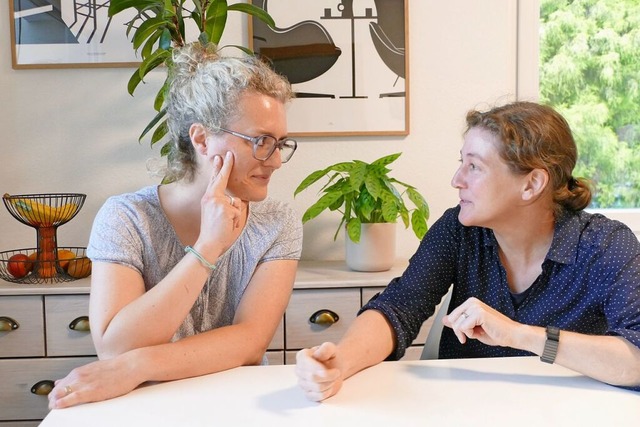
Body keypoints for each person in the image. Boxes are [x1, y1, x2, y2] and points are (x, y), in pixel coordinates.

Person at [296, 101, 640, 401]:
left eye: (474, 166)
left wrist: (519, 335)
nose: (457, 179)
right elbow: (398, 308)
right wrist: (341, 360)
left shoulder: (606, 246)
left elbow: (636, 358)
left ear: (532, 184)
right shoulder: (459, 231)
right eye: (462, 163)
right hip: (463, 409)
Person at [48, 42, 302, 409]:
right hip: (147, 407)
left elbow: (250, 341)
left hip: (244, 405)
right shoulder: (126, 218)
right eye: (261, 141)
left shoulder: (277, 223)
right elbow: (114, 347)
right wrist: (207, 248)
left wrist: (138, 364)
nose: (276, 160)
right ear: (201, 138)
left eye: (280, 143)